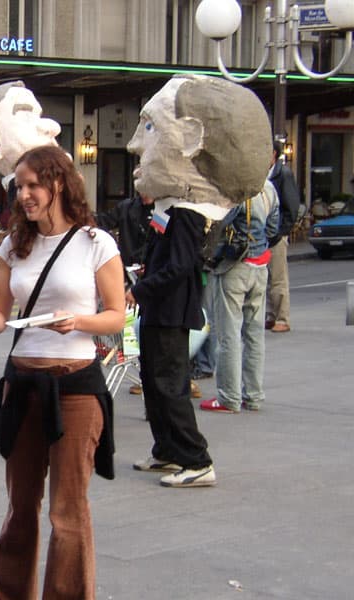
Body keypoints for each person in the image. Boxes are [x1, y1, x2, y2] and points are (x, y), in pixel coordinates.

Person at [0, 145, 125, 600]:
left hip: (75, 387)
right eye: (19, 186)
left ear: (59, 184)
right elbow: (2, 316)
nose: (24, 195)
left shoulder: (95, 242)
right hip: (22, 384)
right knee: (20, 507)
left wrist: (79, 321)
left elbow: (116, 315)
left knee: (68, 512)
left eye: (33, 185)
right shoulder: (13, 245)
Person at [125, 74, 273, 488]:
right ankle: (166, 449)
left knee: (170, 384)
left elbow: (179, 266)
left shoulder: (191, 213)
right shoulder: (171, 207)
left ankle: (196, 459)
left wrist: (139, 289)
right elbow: (163, 258)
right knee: (153, 381)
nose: (136, 144)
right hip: (158, 308)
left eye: (150, 127)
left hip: (172, 310)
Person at [200, 183, 280, 414]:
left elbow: (219, 222)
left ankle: (229, 397)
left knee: (229, 334)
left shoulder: (237, 187)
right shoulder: (268, 188)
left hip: (235, 264)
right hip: (260, 264)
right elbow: (273, 227)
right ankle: (253, 395)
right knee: (254, 334)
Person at [265, 142, 300, 333]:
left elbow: (292, 206)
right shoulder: (266, 173)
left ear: (273, 153)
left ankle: (282, 318)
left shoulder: (283, 174)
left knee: (278, 277)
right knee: (268, 277)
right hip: (265, 232)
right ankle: (271, 315)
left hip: (277, 233)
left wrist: (281, 232)